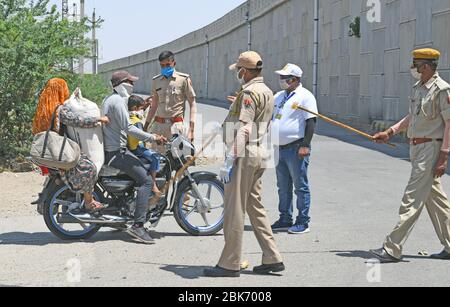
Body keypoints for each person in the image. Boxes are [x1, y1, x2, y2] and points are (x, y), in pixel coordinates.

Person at [204, 51, 284, 278]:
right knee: (254, 207)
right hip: (259, 152)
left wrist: (230, 160)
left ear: (245, 71)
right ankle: (272, 257)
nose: (237, 73)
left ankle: (230, 263)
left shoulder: (249, 92)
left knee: (234, 210)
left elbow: (245, 128)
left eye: (239, 69)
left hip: (244, 154)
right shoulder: (267, 91)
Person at [371, 48, 450, 262]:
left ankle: (392, 248)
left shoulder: (442, 90)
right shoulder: (419, 88)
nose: (413, 69)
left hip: (431, 149)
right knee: (436, 201)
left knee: (411, 199)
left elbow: (449, 123)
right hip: (417, 149)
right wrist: (390, 132)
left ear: (425, 66)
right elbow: (411, 117)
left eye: (416, 64)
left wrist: (444, 156)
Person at [102, 71, 166, 244]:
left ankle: (126, 211)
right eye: (130, 82)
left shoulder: (110, 99)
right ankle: (138, 225)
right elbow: (129, 128)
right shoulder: (117, 102)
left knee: (142, 168)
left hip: (114, 149)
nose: (133, 85)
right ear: (122, 84)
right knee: (145, 180)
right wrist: (153, 137)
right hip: (116, 152)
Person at [270, 64, 318, 234]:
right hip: (279, 148)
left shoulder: (306, 97)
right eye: (281, 77)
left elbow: (311, 122)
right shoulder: (279, 96)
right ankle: (285, 218)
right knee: (283, 186)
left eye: (285, 78)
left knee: (300, 186)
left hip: (296, 147)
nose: (282, 80)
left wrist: (305, 144)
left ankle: (303, 221)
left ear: (296, 79)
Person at [58, 104, 109, 212]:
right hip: (64, 148)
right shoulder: (59, 110)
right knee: (89, 167)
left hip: (61, 145)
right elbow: (77, 121)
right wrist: (99, 119)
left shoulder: (51, 109)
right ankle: (88, 202)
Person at [144, 51, 197, 152]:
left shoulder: (183, 79)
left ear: (174, 63)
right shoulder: (156, 81)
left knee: (178, 160)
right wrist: (146, 126)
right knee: (158, 161)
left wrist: (192, 130)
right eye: (162, 65)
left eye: (168, 65)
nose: (165, 68)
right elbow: (154, 106)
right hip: (159, 127)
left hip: (176, 126)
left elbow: (193, 104)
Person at [127, 95, 162, 200]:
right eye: (141, 108)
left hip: (131, 146)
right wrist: (155, 138)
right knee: (155, 158)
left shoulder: (128, 117)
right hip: (136, 148)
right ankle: (154, 184)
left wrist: (145, 104)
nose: (142, 110)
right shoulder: (136, 121)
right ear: (135, 108)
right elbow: (142, 135)